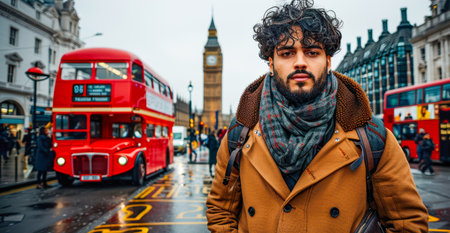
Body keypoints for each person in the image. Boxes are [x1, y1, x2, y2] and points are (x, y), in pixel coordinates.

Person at [206, 1, 428, 232]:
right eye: (287, 53)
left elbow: (407, 223)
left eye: (312, 52)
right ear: (271, 63)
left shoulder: (371, 136)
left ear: (329, 61)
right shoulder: (240, 133)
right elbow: (219, 211)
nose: (300, 62)